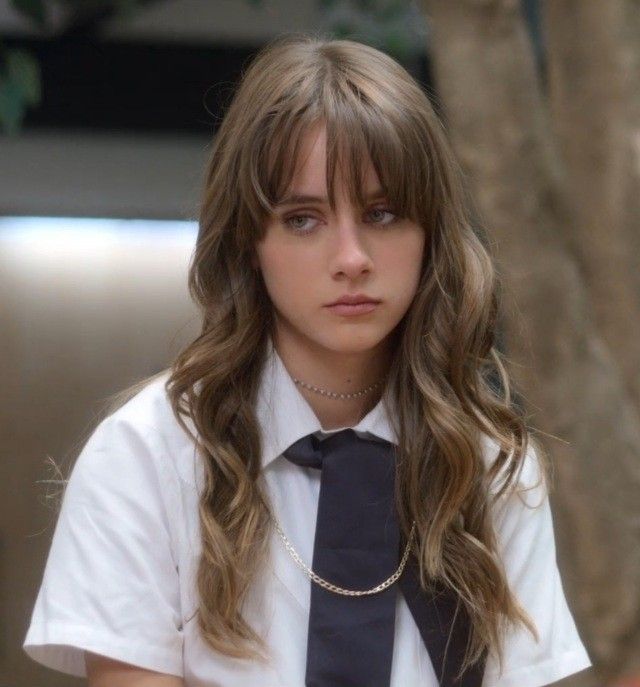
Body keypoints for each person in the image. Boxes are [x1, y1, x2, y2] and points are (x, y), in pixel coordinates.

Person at [23, 33, 592, 687]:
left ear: (431, 235)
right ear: (248, 240)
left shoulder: (491, 464)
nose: (351, 257)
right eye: (303, 218)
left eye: (382, 213)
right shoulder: (149, 455)